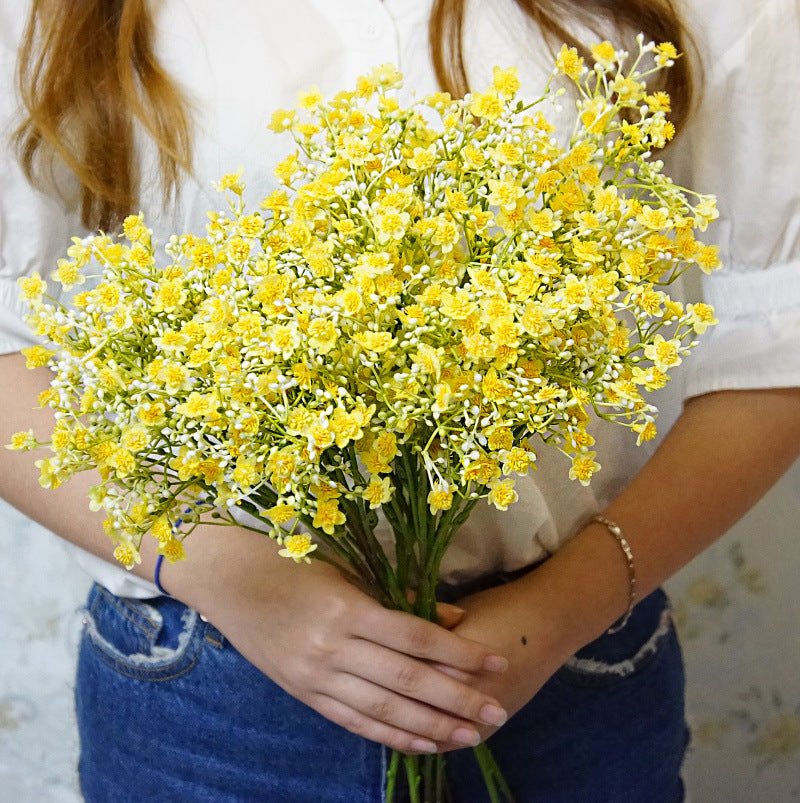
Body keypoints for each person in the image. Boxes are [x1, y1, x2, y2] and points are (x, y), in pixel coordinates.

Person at [1, 0, 798, 801]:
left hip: (565, 669)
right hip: (211, 693)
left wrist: (560, 609)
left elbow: (774, 340)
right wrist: (241, 579)